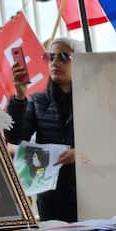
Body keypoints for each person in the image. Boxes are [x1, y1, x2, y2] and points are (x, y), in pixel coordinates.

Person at [7, 37, 78, 221]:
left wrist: (80, 153)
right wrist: (20, 96)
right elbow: (16, 138)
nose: (55, 63)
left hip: (89, 189)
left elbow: (108, 143)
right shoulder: (39, 101)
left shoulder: (94, 101)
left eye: (63, 57)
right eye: (50, 57)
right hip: (50, 194)